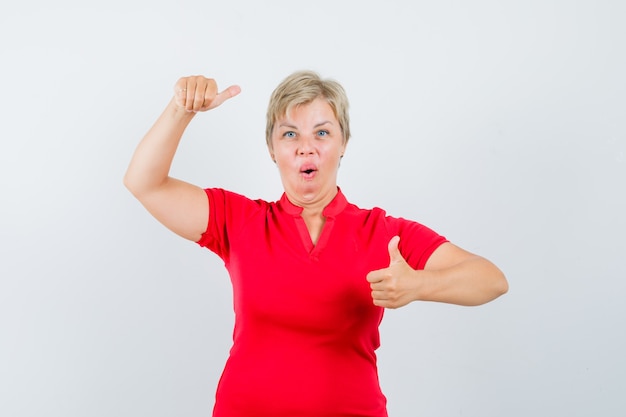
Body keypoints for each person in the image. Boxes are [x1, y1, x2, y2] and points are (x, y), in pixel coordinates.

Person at [123, 70, 508, 417]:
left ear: (343, 145)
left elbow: (490, 279)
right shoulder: (239, 221)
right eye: (290, 133)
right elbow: (144, 182)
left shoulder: (382, 231)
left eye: (322, 132)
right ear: (273, 150)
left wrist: (420, 285)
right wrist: (182, 108)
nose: (306, 146)